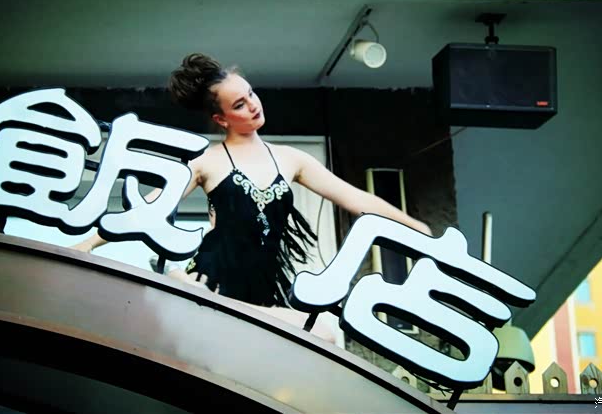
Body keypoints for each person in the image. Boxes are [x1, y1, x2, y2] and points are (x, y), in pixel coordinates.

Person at [73, 53, 432, 342]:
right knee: (321, 334)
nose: (253, 105)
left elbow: (356, 199)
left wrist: (416, 227)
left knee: (318, 336)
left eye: (251, 94)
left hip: (262, 290)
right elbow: (146, 211)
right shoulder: (206, 162)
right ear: (221, 118)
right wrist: (86, 245)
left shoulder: (290, 159)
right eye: (240, 104)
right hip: (213, 281)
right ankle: (188, 291)